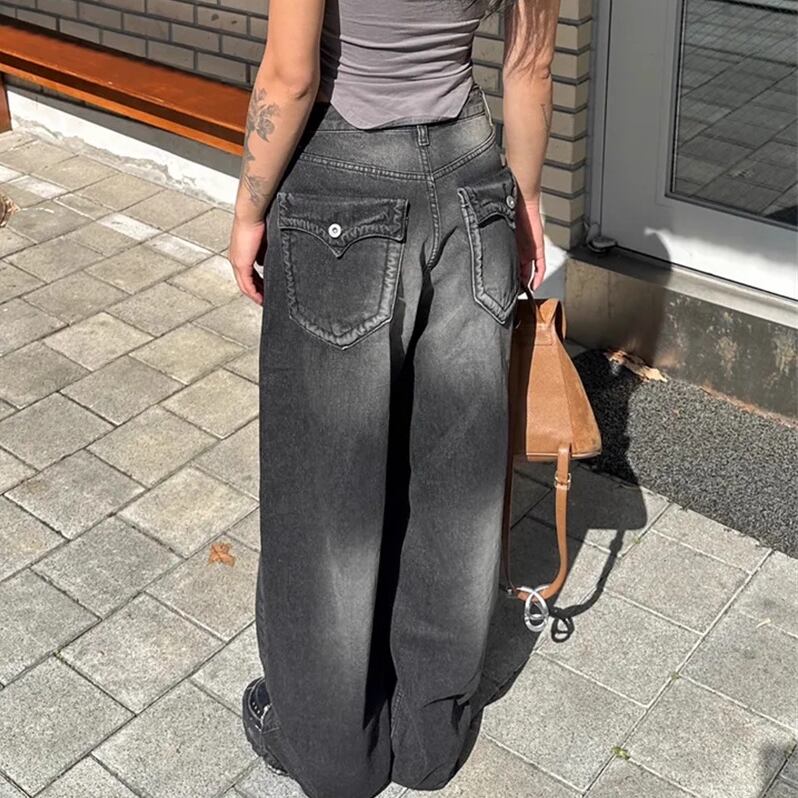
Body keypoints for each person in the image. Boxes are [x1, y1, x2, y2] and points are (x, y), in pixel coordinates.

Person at [226, 1, 559, 796]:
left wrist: (246, 211)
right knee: (457, 485)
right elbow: (530, 64)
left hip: (342, 184)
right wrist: (527, 201)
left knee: (325, 501)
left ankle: (332, 753)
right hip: (474, 182)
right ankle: (429, 739)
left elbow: (291, 75)